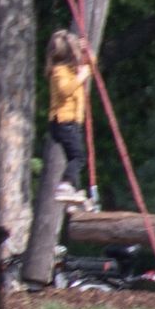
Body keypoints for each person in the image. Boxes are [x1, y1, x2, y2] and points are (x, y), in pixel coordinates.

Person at [41, 29, 95, 204]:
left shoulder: (71, 71)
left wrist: (88, 52)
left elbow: (91, 66)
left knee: (75, 155)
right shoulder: (60, 71)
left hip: (70, 123)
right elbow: (65, 90)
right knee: (78, 157)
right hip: (64, 122)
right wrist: (81, 76)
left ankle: (75, 192)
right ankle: (65, 184)